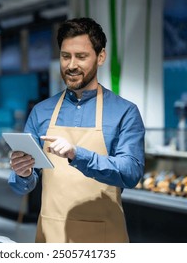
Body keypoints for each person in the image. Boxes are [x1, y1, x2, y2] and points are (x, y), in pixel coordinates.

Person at [8, 17, 145, 243]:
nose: (71, 65)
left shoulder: (125, 112)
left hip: (104, 240)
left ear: (100, 57)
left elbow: (130, 173)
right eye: (65, 56)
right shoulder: (41, 112)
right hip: (51, 236)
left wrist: (77, 154)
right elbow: (22, 184)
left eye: (81, 57)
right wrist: (22, 173)